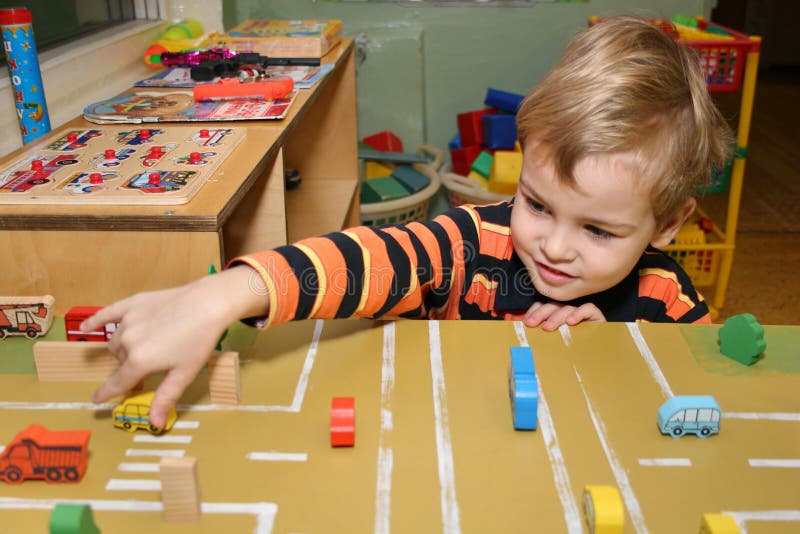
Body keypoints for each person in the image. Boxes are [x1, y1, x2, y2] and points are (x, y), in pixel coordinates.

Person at [82, 15, 732, 427]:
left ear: (668, 225)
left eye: (598, 230)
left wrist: (624, 345)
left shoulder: (663, 299)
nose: (554, 247)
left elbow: (711, 396)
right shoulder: (473, 241)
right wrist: (220, 295)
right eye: (537, 204)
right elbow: (365, 258)